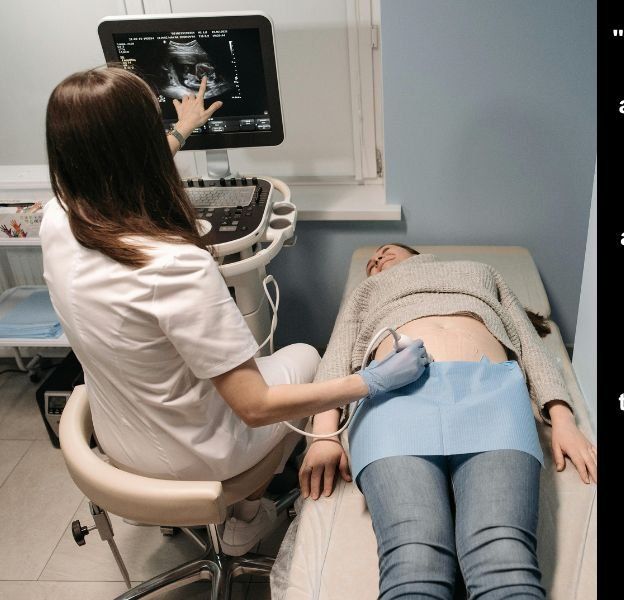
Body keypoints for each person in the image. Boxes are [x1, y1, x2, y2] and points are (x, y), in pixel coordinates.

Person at [40, 67, 428, 556]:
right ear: (137, 145)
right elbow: (255, 407)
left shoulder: (56, 221)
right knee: (306, 354)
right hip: (199, 457)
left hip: (117, 437)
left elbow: (113, 174)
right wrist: (370, 382)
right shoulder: (176, 266)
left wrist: (180, 131)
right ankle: (245, 517)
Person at [300, 243, 596, 599]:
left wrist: (562, 417)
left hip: (492, 397)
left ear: (415, 253)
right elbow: (336, 356)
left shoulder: (480, 272)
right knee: (414, 560)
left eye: (385, 251)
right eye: (372, 262)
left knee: (503, 558)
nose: (377, 259)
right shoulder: (367, 291)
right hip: (394, 402)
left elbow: (530, 345)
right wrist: (323, 436)